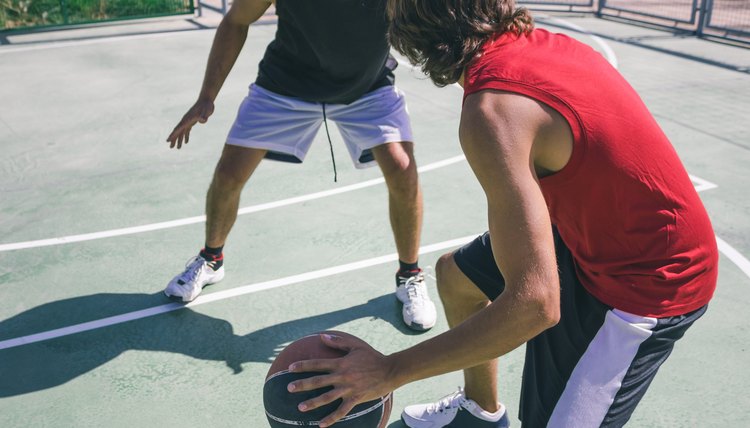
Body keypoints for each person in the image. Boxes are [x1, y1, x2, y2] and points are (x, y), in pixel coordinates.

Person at [284, 1, 719, 427]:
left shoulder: (492, 111)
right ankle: (480, 411)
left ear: (413, 35)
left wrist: (391, 370)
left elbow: (534, 305)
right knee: (457, 277)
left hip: (650, 282)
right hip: (599, 236)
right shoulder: (538, 43)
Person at [163, 0, 437, 331]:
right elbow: (236, 20)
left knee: (402, 170)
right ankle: (211, 259)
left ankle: (409, 274)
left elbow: (427, 20)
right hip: (285, 87)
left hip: (367, 88)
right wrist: (207, 96)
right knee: (229, 174)